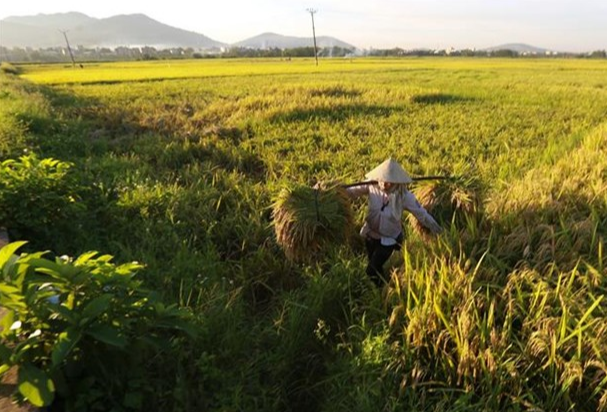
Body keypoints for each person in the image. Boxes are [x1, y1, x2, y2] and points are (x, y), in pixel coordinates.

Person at [346, 158, 442, 286]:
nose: (384, 185)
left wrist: (438, 230)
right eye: (382, 180)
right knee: (375, 266)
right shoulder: (372, 185)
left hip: (388, 239)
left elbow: (422, 214)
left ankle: (386, 291)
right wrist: (332, 191)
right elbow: (352, 192)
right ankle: (379, 290)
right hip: (370, 234)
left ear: (396, 181)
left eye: (389, 182)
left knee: (371, 270)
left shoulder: (404, 196)